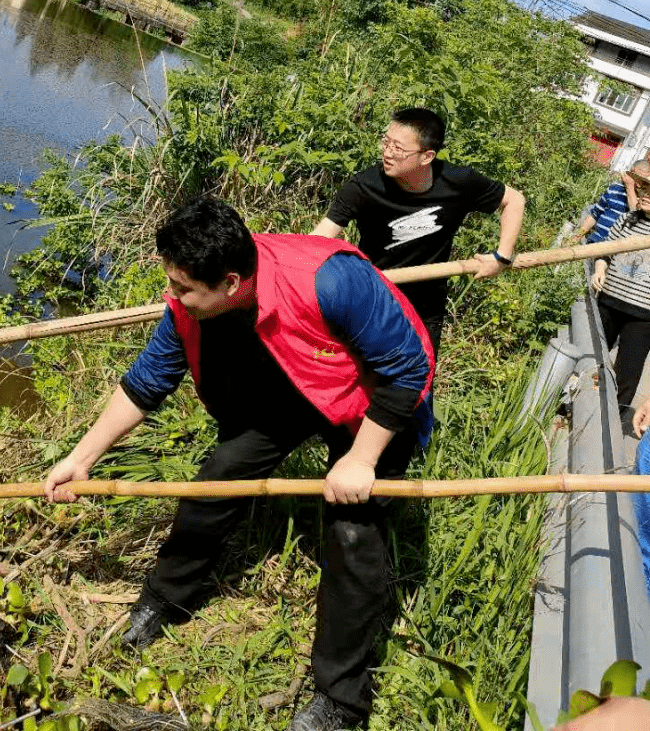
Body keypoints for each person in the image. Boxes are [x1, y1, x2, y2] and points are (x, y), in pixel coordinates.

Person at [44, 197, 435, 731]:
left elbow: (408, 369)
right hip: (296, 387)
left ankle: (342, 699)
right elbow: (148, 379)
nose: (172, 296)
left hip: (373, 406)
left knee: (352, 531)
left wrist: (361, 460)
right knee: (219, 477)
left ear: (231, 282)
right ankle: (166, 598)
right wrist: (80, 460)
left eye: (183, 288)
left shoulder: (331, 280)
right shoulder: (192, 303)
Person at [312, 107, 525, 359]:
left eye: (398, 148)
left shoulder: (458, 182)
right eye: (386, 142)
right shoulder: (365, 186)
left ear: (427, 156)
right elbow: (319, 239)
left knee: (416, 388)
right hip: (372, 299)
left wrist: (502, 257)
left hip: (425, 310)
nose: (387, 152)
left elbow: (514, 199)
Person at [590, 160, 650, 426]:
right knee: (593, 358)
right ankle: (581, 405)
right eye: (644, 188)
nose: (644, 194)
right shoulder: (627, 220)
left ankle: (612, 420)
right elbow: (605, 249)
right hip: (609, 300)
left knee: (628, 371)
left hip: (643, 314)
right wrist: (599, 268)